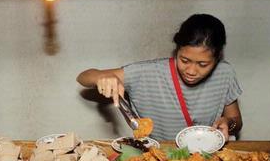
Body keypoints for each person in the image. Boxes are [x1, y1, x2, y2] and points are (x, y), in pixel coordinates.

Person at [76, 14, 242, 140]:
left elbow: (236, 120)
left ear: (218, 57)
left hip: (206, 156)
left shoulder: (225, 73)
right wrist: (101, 78)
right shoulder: (148, 73)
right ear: (177, 50)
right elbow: (83, 77)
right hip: (160, 160)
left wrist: (229, 123)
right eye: (184, 60)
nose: (191, 71)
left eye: (203, 64)